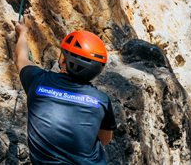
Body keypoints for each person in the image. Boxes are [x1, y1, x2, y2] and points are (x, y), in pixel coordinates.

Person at [14, 17, 116, 165]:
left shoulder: (37, 80)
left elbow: (20, 58)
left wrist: (23, 33)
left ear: (63, 61)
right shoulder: (101, 100)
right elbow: (104, 139)